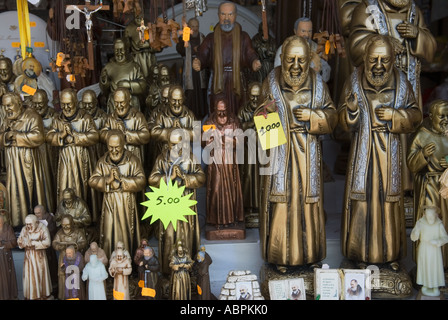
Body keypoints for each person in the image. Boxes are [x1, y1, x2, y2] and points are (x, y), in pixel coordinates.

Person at [338, 35, 422, 269]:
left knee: (389, 204)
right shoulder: (354, 81)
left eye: (384, 60)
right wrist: (352, 111)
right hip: (363, 155)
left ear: (393, 60)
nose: (378, 66)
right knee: (362, 203)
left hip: (390, 155)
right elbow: (342, 120)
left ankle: (390, 255)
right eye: (373, 59)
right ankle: (360, 254)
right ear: (365, 58)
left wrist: (395, 116)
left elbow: (415, 116)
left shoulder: (402, 82)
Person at [256, 35, 337, 271]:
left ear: (310, 60)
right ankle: (279, 257)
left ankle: (310, 257)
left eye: (301, 60)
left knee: (308, 205)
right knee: (280, 204)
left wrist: (313, 117)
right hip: (280, 155)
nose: (295, 66)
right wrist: (270, 122)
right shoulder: (271, 82)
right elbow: (260, 117)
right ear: (282, 59)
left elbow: (332, 117)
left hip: (307, 155)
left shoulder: (318, 83)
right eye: (290, 59)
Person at [348, 0, 437, 195]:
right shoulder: (367, 10)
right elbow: (355, 49)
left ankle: (408, 188)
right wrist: (383, 44)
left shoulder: (414, 12)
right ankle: (382, 188)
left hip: (408, 88)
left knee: (410, 130)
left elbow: (431, 48)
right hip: (378, 92)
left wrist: (418, 35)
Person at [148, 130, 206, 275]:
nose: (175, 147)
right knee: (168, 235)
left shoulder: (190, 158)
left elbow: (201, 178)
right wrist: (170, 178)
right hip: (168, 203)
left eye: (178, 144)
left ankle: (187, 270)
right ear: (167, 144)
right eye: (172, 144)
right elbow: (152, 179)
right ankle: (169, 273)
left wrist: (185, 178)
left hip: (185, 202)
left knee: (186, 234)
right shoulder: (162, 159)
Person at [193, 1, 261, 116]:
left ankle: (237, 131)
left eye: (230, 14)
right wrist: (198, 61)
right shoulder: (211, 38)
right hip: (217, 80)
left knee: (239, 108)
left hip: (237, 80)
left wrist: (254, 61)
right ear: (218, 15)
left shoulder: (243, 37)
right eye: (223, 14)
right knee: (217, 108)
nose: (226, 18)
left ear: (235, 15)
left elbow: (250, 53)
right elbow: (203, 54)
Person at [89, 130, 146, 258]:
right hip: (109, 202)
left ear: (123, 144)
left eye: (117, 147)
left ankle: (129, 261)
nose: (114, 151)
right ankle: (110, 262)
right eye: (111, 147)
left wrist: (122, 181)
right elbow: (92, 180)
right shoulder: (103, 162)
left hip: (127, 203)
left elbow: (142, 181)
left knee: (127, 232)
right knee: (109, 232)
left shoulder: (132, 160)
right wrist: (107, 181)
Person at [0, 92, 54, 227]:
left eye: (10, 105)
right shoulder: (7, 119)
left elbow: (39, 137)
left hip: (29, 163)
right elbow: (1, 136)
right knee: (16, 192)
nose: (7, 109)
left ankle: (37, 223)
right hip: (13, 163)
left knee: (31, 190)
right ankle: (19, 224)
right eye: (4, 106)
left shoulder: (32, 116)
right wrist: (6, 137)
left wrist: (17, 136)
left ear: (18, 104)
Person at [47, 88, 100, 223]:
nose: (66, 107)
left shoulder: (85, 118)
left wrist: (75, 137)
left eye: (69, 104)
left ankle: (84, 220)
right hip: (64, 159)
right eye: (63, 104)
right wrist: (61, 136)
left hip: (82, 159)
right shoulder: (57, 119)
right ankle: (65, 220)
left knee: (83, 187)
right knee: (65, 186)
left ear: (76, 102)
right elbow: (49, 136)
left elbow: (94, 136)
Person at [407, 99, 448, 269]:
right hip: (430, 187)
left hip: (446, 187)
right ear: (431, 117)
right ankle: (430, 268)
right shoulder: (422, 135)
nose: (446, 119)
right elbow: (411, 163)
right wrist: (422, 154)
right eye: (441, 116)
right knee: (432, 224)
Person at [203, 99, 244, 231]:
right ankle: (216, 220)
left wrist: (225, 139)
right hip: (215, 163)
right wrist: (208, 141)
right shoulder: (209, 122)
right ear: (215, 109)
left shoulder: (234, 122)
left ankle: (233, 220)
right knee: (215, 188)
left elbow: (241, 141)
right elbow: (204, 142)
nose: (221, 115)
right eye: (219, 111)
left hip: (230, 162)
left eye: (224, 111)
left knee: (232, 190)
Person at [99, 87, 150, 165]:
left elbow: (146, 136)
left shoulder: (137, 116)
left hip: (133, 157)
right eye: (116, 102)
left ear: (128, 101)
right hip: (115, 159)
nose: (119, 106)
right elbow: (102, 134)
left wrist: (126, 135)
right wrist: (115, 135)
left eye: (122, 102)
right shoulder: (111, 118)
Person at [274, 17, 331, 82]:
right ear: (295, 31)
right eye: (303, 31)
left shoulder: (317, 49)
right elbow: (277, 74)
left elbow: (326, 75)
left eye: (309, 31)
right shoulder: (285, 48)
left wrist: (319, 71)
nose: (307, 34)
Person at [99, 38, 147, 113]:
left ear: (127, 50)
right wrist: (104, 81)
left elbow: (143, 85)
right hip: (114, 104)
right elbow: (104, 90)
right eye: (116, 50)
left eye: (121, 50)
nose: (119, 53)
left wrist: (129, 85)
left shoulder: (134, 67)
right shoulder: (108, 67)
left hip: (132, 103)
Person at [237, 82, 262, 225]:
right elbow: (238, 130)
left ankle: (260, 207)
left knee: (260, 180)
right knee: (247, 179)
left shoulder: (266, 111)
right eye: (252, 97)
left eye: (257, 97)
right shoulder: (243, 111)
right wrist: (251, 123)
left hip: (261, 154)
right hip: (247, 153)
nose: (254, 100)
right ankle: (247, 208)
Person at [411, 205, 448, 297]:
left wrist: (438, 241)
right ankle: (426, 284)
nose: (430, 218)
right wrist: (416, 231)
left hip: (434, 250)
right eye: (428, 216)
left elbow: (445, 238)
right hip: (424, 248)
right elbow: (413, 237)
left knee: (434, 268)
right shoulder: (420, 222)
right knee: (425, 267)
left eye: (432, 216)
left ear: (436, 215)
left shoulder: (439, 224)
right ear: (424, 215)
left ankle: (435, 286)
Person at [176, 17, 208, 120]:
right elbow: (180, 49)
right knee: (190, 94)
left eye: (197, 26)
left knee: (202, 94)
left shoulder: (203, 37)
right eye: (193, 26)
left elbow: (208, 51)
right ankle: (190, 117)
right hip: (189, 70)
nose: (195, 29)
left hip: (200, 69)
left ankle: (202, 116)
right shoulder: (185, 37)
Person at [17, 214, 53, 300]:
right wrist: (22, 243)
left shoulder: (42, 228)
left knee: (41, 275)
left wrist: (34, 243)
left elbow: (47, 242)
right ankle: (32, 295)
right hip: (29, 256)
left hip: (39, 256)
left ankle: (43, 295)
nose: (28, 226)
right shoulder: (24, 229)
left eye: (30, 224)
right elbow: (20, 241)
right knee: (30, 276)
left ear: (36, 222)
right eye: (27, 224)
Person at [52, 214, 88, 300]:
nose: (65, 227)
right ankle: (63, 295)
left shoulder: (78, 232)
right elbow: (54, 243)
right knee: (63, 275)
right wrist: (60, 246)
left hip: (75, 257)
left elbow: (83, 242)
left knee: (75, 275)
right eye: (63, 225)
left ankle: (76, 295)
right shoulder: (60, 232)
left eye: (67, 225)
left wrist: (76, 246)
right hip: (63, 256)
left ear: (72, 223)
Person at [30, 89, 58, 188]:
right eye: (35, 103)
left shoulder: (54, 115)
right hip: (34, 154)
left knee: (50, 180)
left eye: (40, 103)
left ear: (46, 101)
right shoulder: (30, 115)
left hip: (50, 154)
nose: (37, 106)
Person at [124, 14, 159, 81]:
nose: (138, 17)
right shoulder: (129, 28)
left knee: (152, 76)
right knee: (139, 77)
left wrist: (148, 45)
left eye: (140, 14)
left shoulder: (149, 25)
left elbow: (157, 46)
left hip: (149, 57)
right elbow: (126, 47)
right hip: (136, 58)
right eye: (136, 14)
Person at [33, 204, 58, 293]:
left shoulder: (49, 218)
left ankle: (53, 287)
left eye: (38, 213)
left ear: (43, 212)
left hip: (49, 249)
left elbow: (51, 230)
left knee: (51, 267)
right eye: (35, 213)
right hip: (39, 249)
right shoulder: (34, 219)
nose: (37, 215)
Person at [80, 89, 108, 161]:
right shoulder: (79, 116)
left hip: (98, 152)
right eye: (84, 103)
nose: (87, 106)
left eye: (90, 103)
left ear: (95, 102)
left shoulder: (103, 117)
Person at [0, 214, 18, 300]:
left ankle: (8, 295)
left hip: (5, 256)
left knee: (7, 276)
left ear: (3, 221)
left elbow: (14, 242)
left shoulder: (8, 228)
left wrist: (4, 243)